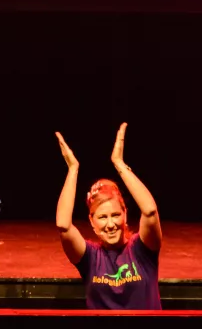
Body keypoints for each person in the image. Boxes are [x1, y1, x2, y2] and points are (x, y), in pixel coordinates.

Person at [55, 123, 162, 310]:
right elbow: (63, 225)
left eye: (115, 215)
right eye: (103, 217)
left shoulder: (142, 249)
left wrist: (119, 164)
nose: (111, 224)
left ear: (125, 214)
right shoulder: (90, 257)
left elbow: (150, 211)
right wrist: (73, 169)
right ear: (92, 221)